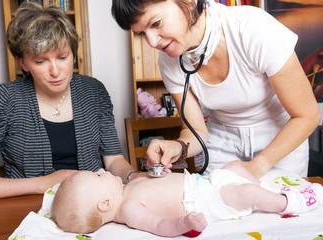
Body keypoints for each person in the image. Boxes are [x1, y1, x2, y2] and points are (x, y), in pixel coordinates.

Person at [111, 0, 321, 179]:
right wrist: (179, 146)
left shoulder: (254, 28)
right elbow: (196, 132)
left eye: (156, 23)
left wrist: (259, 165)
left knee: (282, 218)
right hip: (223, 141)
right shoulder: (169, 62)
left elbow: (307, 116)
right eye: (141, 34)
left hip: (280, 140)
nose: (152, 41)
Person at [0, 2, 140, 201]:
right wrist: (43, 183)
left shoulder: (94, 91)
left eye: (63, 57)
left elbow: (113, 158)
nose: (55, 71)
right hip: (29, 211)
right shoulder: (5, 99)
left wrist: (134, 177)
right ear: (23, 63)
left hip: (94, 203)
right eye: (40, 61)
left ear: (74, 54)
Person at [51, 165, 323, 237]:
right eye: (98, 178)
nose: (101, 171)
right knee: (247, 194)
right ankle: (291, 203)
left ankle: (262, 192)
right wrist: (185, 222)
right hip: (205, 202)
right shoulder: (129, 209)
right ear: (105, 204)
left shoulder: (128, 187)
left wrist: (160, 173)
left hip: (203, 183)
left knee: (236, 169)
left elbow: (159, 183)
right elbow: (159, 225)